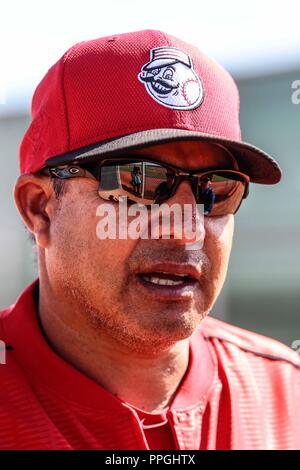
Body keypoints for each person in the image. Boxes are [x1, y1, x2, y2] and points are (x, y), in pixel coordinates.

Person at [0, 30, 299, 451]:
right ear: (40, 208)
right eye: (138, 182)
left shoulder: (287, 393)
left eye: (216, 188)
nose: (186, 227)